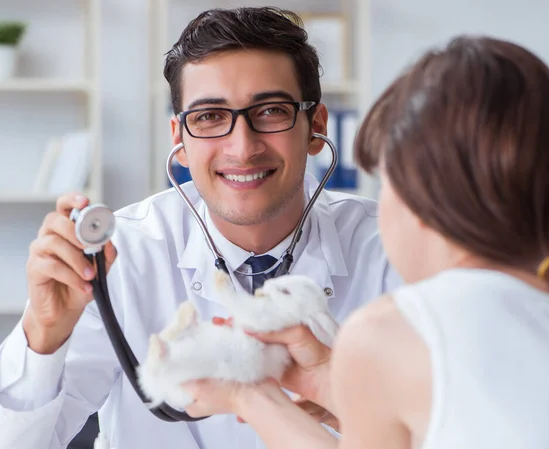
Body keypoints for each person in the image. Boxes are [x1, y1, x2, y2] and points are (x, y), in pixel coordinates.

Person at [0, 7, 401, 449]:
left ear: (316, 125)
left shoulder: (389, 250)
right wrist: (43, 333)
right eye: (209, 116)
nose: (242, 147)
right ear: (180, 139)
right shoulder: (120, 257)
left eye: (270, 110)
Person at [176, 36, 549, 449]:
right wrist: (337, 383)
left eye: (386, 182)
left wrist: (248, 395)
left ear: (417, 196)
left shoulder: (393, 330)